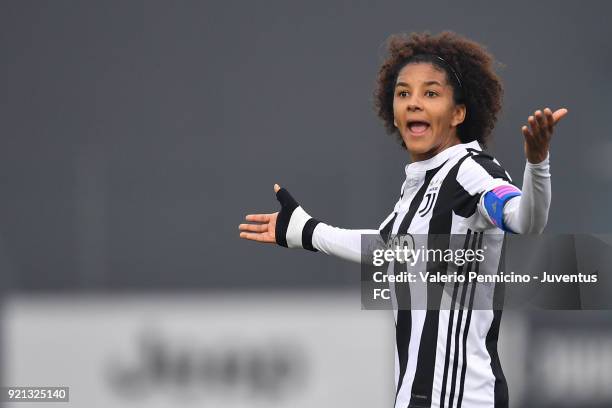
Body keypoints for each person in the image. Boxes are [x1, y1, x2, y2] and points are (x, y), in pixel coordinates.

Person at [238, 31, 567, 408]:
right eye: (403, 93)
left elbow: (524, 220)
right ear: (392, 111)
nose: (413, 103)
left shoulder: (471, 172)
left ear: (459, 113)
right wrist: (306, 231)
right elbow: (387, 248)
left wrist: (537, 163)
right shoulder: (419, 186)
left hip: (464, 398)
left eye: (430, 93)